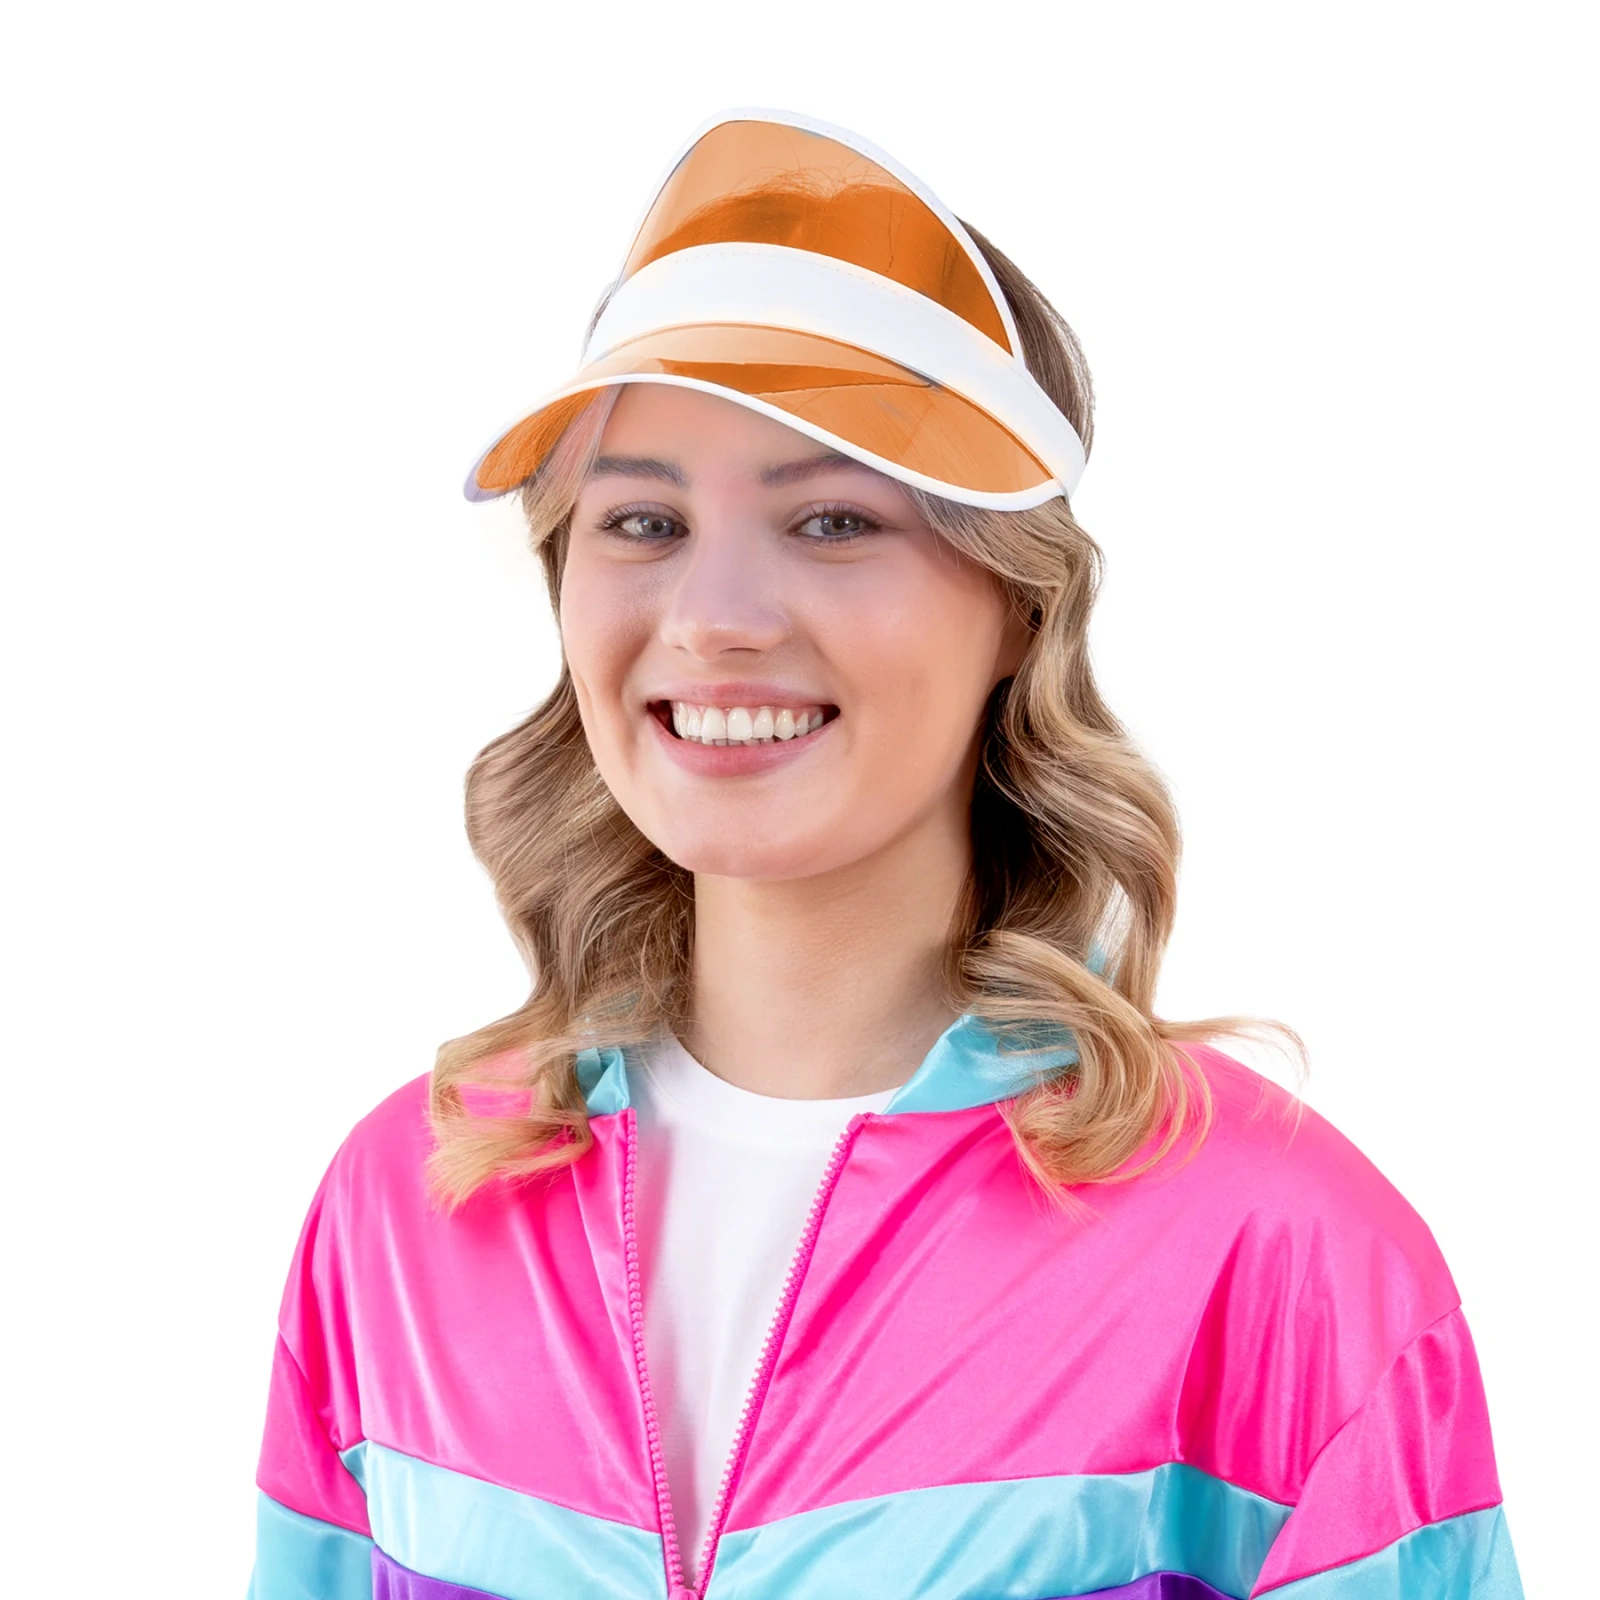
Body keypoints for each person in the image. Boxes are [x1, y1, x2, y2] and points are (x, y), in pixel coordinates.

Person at [247, 109, 1523, 1600]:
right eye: (643, 519)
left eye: (835, 519)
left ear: (1019, 610)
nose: (715, 616)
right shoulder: (403, 1208)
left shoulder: (1275, 1248)